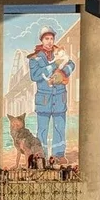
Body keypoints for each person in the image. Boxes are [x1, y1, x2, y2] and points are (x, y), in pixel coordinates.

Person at [27, 26, 76, 162]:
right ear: (42, 40)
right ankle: (40, 155)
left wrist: (64, 72)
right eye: (46, 38)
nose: (49, 41)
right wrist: (55, 65)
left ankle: (59, 155)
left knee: (59, 128)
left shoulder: (59, 52)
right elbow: (35, 75)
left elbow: (72, 64)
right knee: (42, 129)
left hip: (60, 98)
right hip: (44, 100)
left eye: (51, 38)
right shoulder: (34, 58)